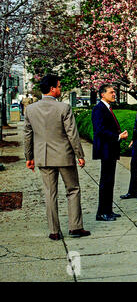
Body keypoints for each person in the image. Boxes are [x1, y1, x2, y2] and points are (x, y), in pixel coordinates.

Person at [23, 75, 90, 240]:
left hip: (43, 157)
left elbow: (27, 135)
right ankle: (75, 227)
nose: (60, 89)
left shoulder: (30, 110)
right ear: (52, 88)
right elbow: (72, 135)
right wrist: (80, 155)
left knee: (49, 193)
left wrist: (29, 157)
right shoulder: (64, 108)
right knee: (73, 189)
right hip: (64, 156)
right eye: (59, 86)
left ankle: (54, 231)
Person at [92, 84, 128, 221]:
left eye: (114, 92)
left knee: (110, 181)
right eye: (111, 92)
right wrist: (118, 137)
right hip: (106, 150)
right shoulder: (98, 109)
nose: (114, 94)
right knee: (106, 181)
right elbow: (100, 130)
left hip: (111, 150)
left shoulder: (107, 108)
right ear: (103, 94)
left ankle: (108, 210)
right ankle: (102, 213)